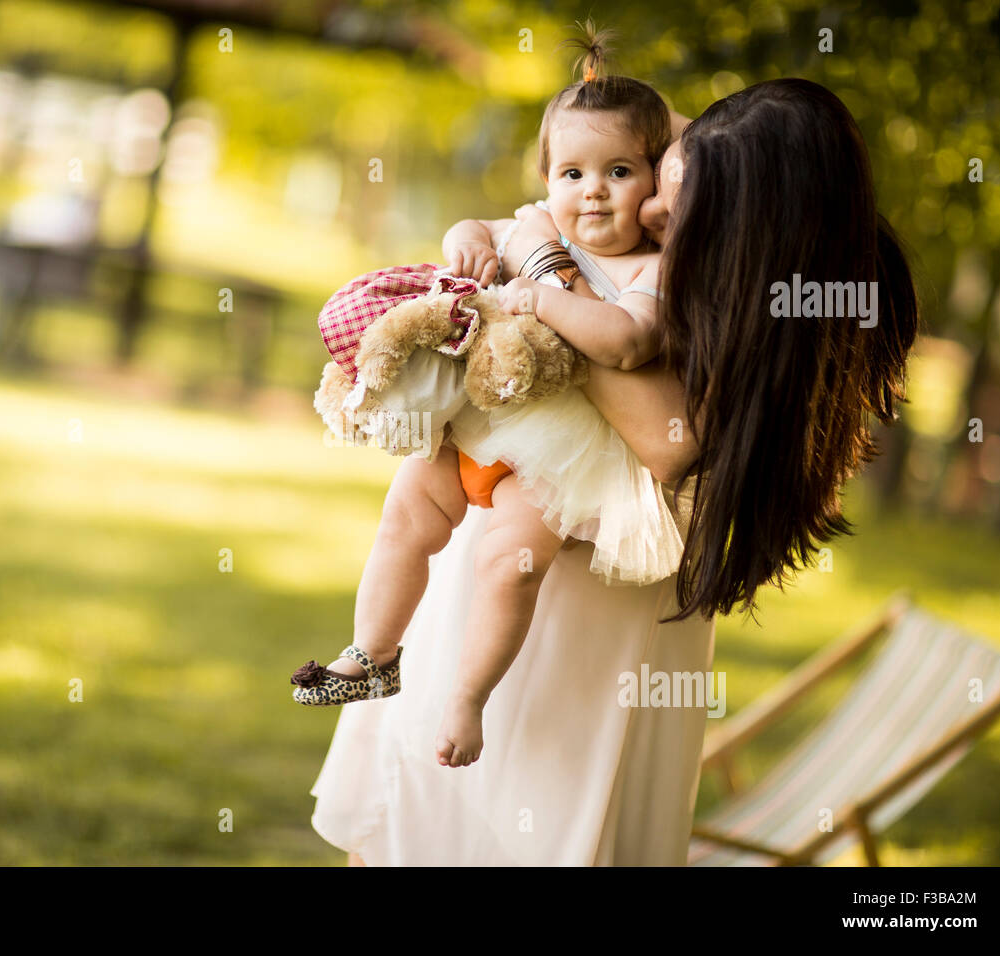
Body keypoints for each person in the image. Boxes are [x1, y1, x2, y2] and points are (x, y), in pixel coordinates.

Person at [307, 72, 919, 865]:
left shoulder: (749, 312)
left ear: (741, 226)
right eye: (656, 178)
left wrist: (547, 269)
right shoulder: (723, 223)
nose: (650, 213)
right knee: (409, 827)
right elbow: (631, 125)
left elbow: (665, 437)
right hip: (509, 550)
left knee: (515, 830)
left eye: (672, 197)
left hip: (581, 615)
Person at [293, 33, 686, 771]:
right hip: (472, 432)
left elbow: (629, 343)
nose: (592, 190)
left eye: (620, 171)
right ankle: (372, 652)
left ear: (656, 188)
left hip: (555, 470)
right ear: (547, 179)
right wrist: (467, 243)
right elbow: (472, 229)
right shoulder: (532, 224)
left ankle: (468, 698)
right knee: (405, 518)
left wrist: (540, 292)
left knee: (510, 565)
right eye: (571, 172)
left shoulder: (650, 270)